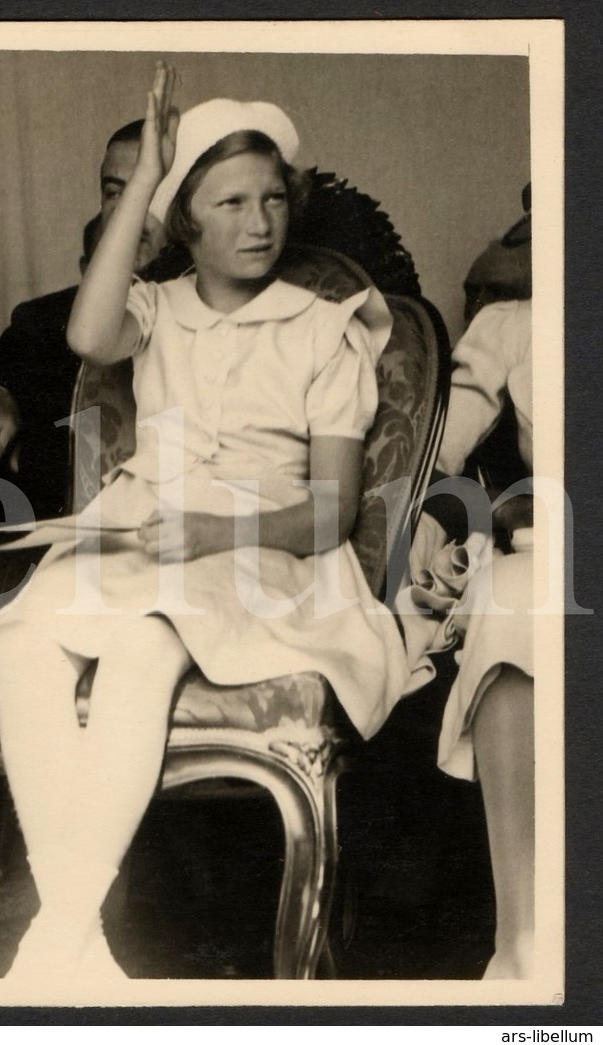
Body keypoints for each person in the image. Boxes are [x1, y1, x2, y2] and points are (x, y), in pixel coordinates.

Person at [0, 65, 409, 978]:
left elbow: (333, 508)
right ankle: (78, 932)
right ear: (184, 219)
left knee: (143, 641)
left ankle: (52, 934)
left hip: (266, 545)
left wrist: (215, 536)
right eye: (226, 203)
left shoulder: (324, 326)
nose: (257, 223)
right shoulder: (153, 309)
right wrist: (143, 178)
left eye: (269, 200)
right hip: (143, 524)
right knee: (25, 642)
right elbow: (84, 338)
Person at [406, 194, 536, 976]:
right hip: (552, 542)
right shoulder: (511, 326)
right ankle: (521, 944)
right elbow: (433, 452)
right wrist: (443, 518)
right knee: (516, 597)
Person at [0, 120, 164, 516]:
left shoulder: (224, 310)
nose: (126, 211)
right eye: (113, 192)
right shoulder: (42, 319)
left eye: (146, 189)